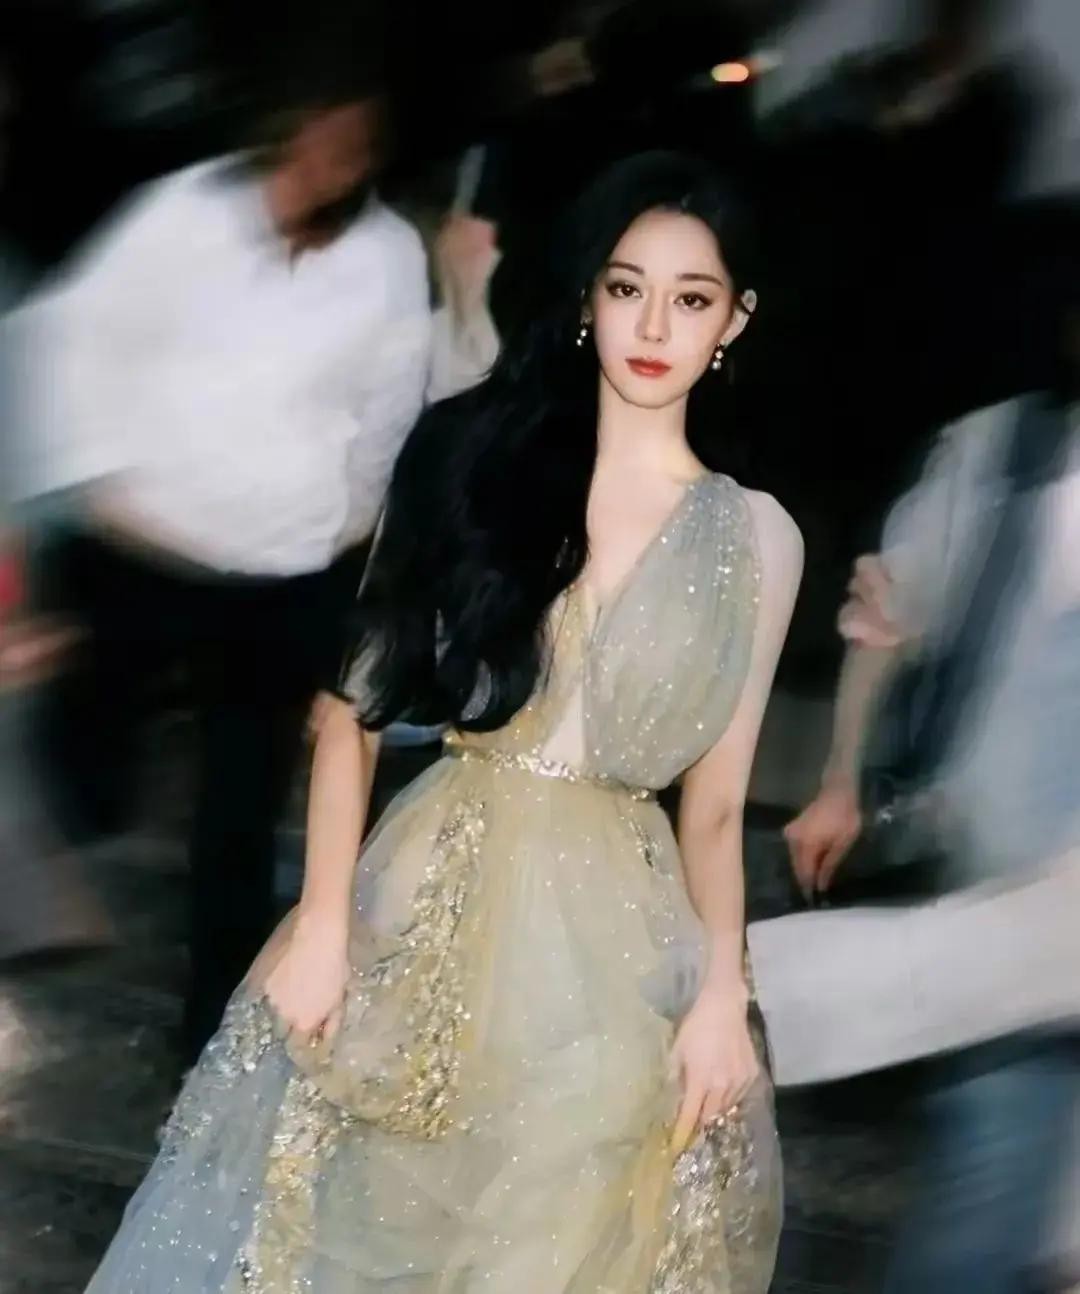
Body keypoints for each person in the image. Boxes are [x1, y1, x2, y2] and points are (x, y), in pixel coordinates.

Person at [84, 151, 802, 1294]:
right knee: (353, 1221)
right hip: (427, 896)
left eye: (692, 297)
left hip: (620, 946)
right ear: (588, 296)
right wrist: (323, 925)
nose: (654, 324)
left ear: (735, 321)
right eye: (627, 287)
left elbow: (716, 809)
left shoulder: (758, 535)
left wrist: (723, 994)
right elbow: (351, 713)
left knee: (561, 1232)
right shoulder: (475, 459)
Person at [4, 66, 463, 1061]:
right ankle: (44, 917)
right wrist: (95, 485)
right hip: (146, 550)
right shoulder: (184, 214)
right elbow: (76, 339)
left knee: (242, 807)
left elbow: (392, 397)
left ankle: (208, 1031)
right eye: (316, 133)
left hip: (286, 567)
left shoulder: (384, 256)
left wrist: (354, 519)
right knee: (79, 763)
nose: (329, 159)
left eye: (352, 142)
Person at [784, 259, 1080, 1290]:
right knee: (991, 1190)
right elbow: (889, 611)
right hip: (1009, 896)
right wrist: (841, 780)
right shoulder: (1004, 449)